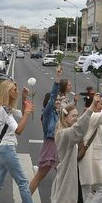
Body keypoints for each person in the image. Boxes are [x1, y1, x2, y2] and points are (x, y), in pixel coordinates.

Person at [27, 99, 97, 203]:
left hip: (71, 179)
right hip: (66, 181)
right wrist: (91, 108)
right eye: (73, 116)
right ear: (65, 118)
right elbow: (78, 130)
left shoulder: (65, 132)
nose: (76, 119)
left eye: (77, 116)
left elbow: (80, 131)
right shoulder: (63, 134)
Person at [29, 68, 65, 196]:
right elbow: (53, 96)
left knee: (64, 176)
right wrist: (57, 79)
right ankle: (26, 201)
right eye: (57, 100)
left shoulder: (57, 113)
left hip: (58, 147)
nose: (58, 102)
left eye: (60, 100)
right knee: (40, 176)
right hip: (50, 146)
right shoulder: (48, 113)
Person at [78, 91, 102, 203]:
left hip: (92, 160)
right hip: (88, 160)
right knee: (90, 190)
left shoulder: (92, 116)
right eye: (100, 104)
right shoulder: (94, 116)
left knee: (93, 189)